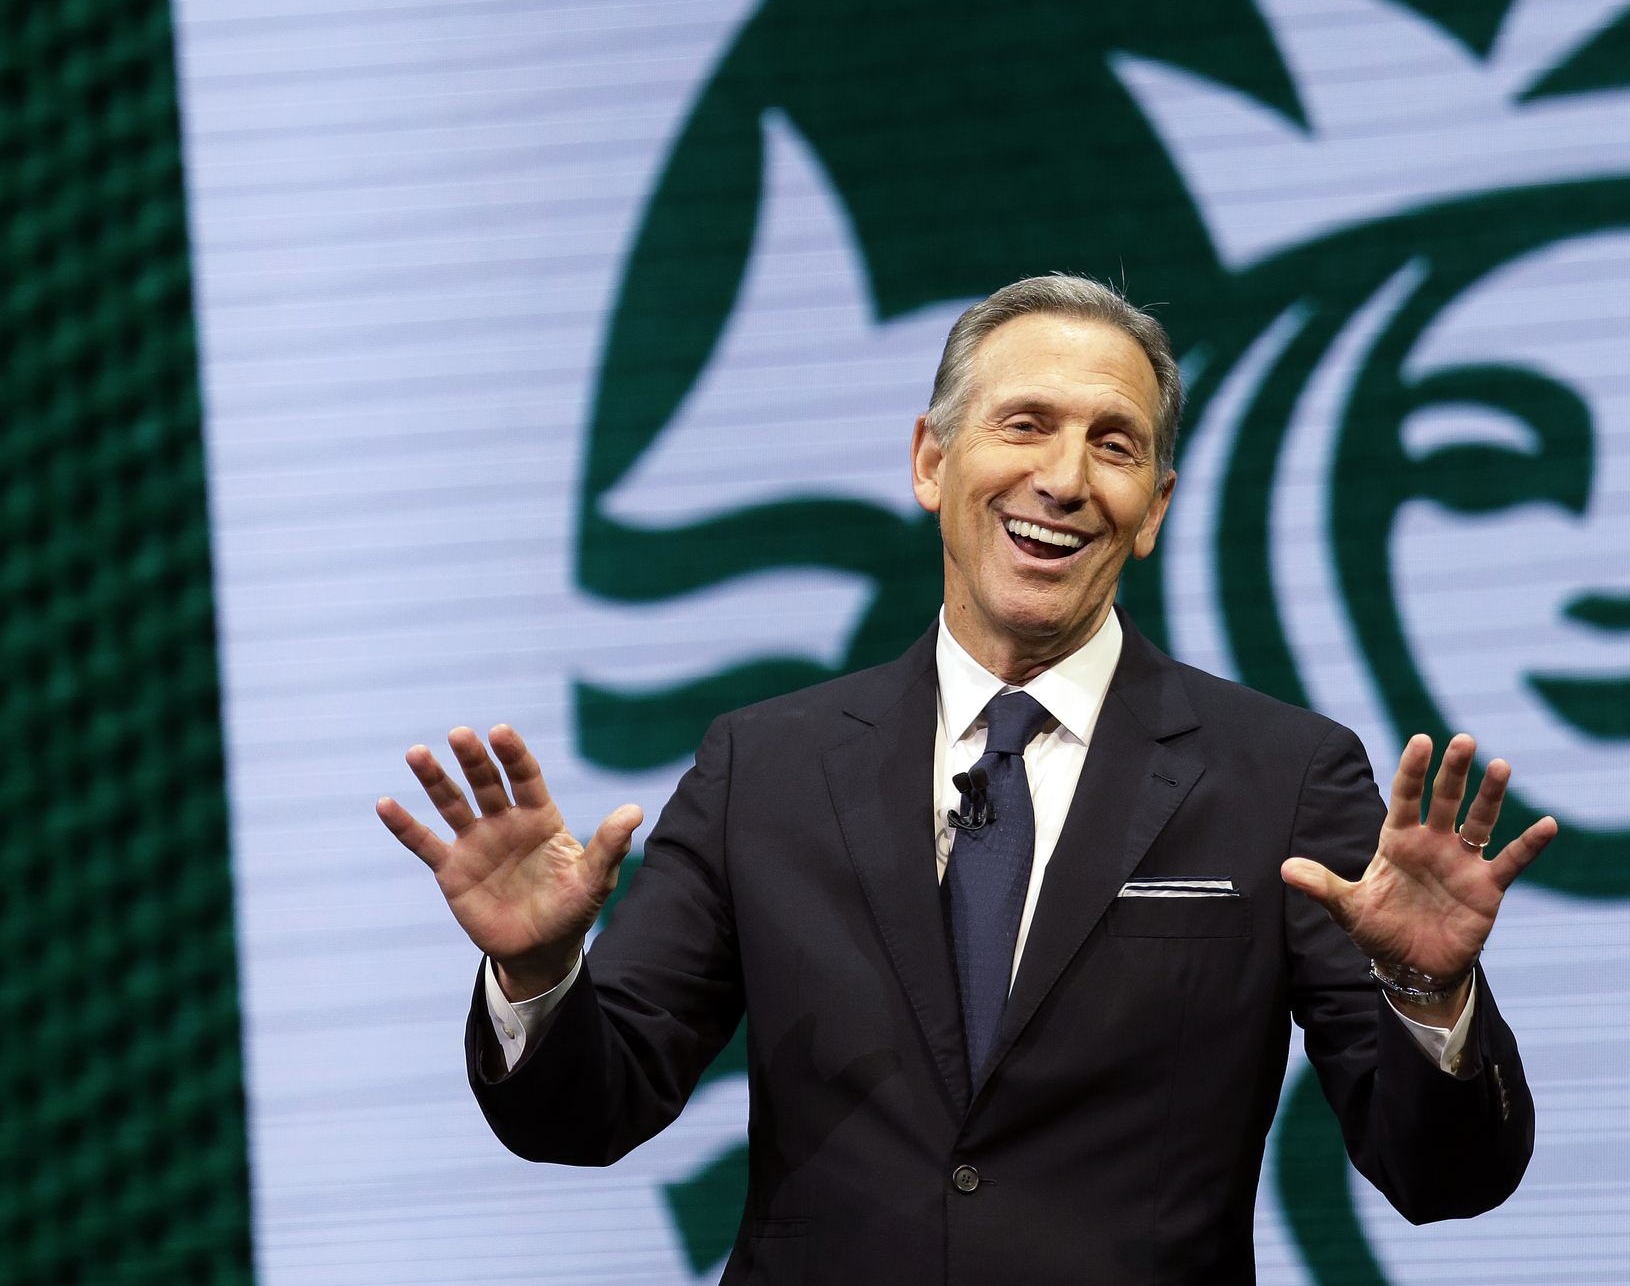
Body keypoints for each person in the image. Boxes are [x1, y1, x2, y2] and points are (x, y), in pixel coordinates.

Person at [378, 274, 1559, 1284]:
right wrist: (536, 973)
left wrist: (1427, 998)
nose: (1063, 479)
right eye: (1024, 425)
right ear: (931, 462)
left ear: (1152, 509)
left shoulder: (1281, 776)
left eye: (1115, 444)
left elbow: (1439, 1179)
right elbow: (589, 1112)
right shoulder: (765, 766)